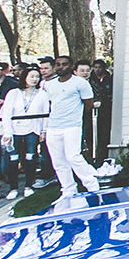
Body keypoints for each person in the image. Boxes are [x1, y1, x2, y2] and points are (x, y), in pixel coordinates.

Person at [41, 55, 100, 199]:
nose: (61, 67)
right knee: (58, 160)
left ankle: (92, 184)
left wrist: (75, 118)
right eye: (58, 64)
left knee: (73, 156)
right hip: (54, 127)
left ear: (71, 66)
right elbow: (51, 104)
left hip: (72, 126)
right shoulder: (50, 84)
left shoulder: (80, 83)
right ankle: (68, 189)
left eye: (64, 64)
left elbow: (88, 104)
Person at [0, 67, 49, 199]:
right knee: (13, 158)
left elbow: (45, 114)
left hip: (33, 129)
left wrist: (43, 131)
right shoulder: (14, 93)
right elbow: (7, 113)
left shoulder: (42, 94)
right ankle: (13, 188)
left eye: (37, 76)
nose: (34, 79)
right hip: (14, 129)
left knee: (30, 157)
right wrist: (7, 132)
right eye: (31, 76)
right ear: (25, 77)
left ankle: (28, 186)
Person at [91, 59, 114, 162]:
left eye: (99, 67)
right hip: (94, 110)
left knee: (105, 131)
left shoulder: (108, 79)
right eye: (95, 67)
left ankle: (103, 153)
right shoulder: (91, 80)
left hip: (106, 108)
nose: (97, 70)